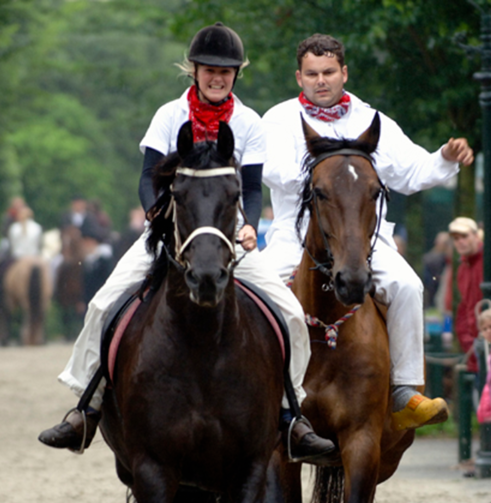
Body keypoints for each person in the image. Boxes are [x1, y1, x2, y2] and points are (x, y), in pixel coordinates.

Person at [39, 22, 334, 463]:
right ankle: (87, 407)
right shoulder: (169, 115)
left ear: (236, 75)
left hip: (228, 237)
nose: (218, 78)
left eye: (227, 72)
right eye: (210, 70)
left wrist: (251, 224)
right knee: (103, 305)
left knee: (289, 312)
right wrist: (156, 213)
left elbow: (251, 188)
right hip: (168, 232)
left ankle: (291, 416)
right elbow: (146, 177)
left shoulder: (249, 122)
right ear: (194, 70)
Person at [261, 33, 474, 431]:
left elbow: (411, 171)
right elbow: (270, 169)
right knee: (254, 293)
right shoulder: (277, 119)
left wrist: (444, 157)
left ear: (344, 72)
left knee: (409, 286)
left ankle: (405, 391)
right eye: (311, 74)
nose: (320, 80)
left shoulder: (372, 120)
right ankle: (256, 391)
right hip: (295, 239)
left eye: (328, 72)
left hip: (366, 242)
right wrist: (325, 171)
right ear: (299, 77)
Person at [449, 216, 491, 373]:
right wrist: (467, 340)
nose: (460, 242)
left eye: (464, 236)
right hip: (477, 347)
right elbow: (464, 307)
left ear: (476, 236)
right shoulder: (462, 269)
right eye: (456, 238)